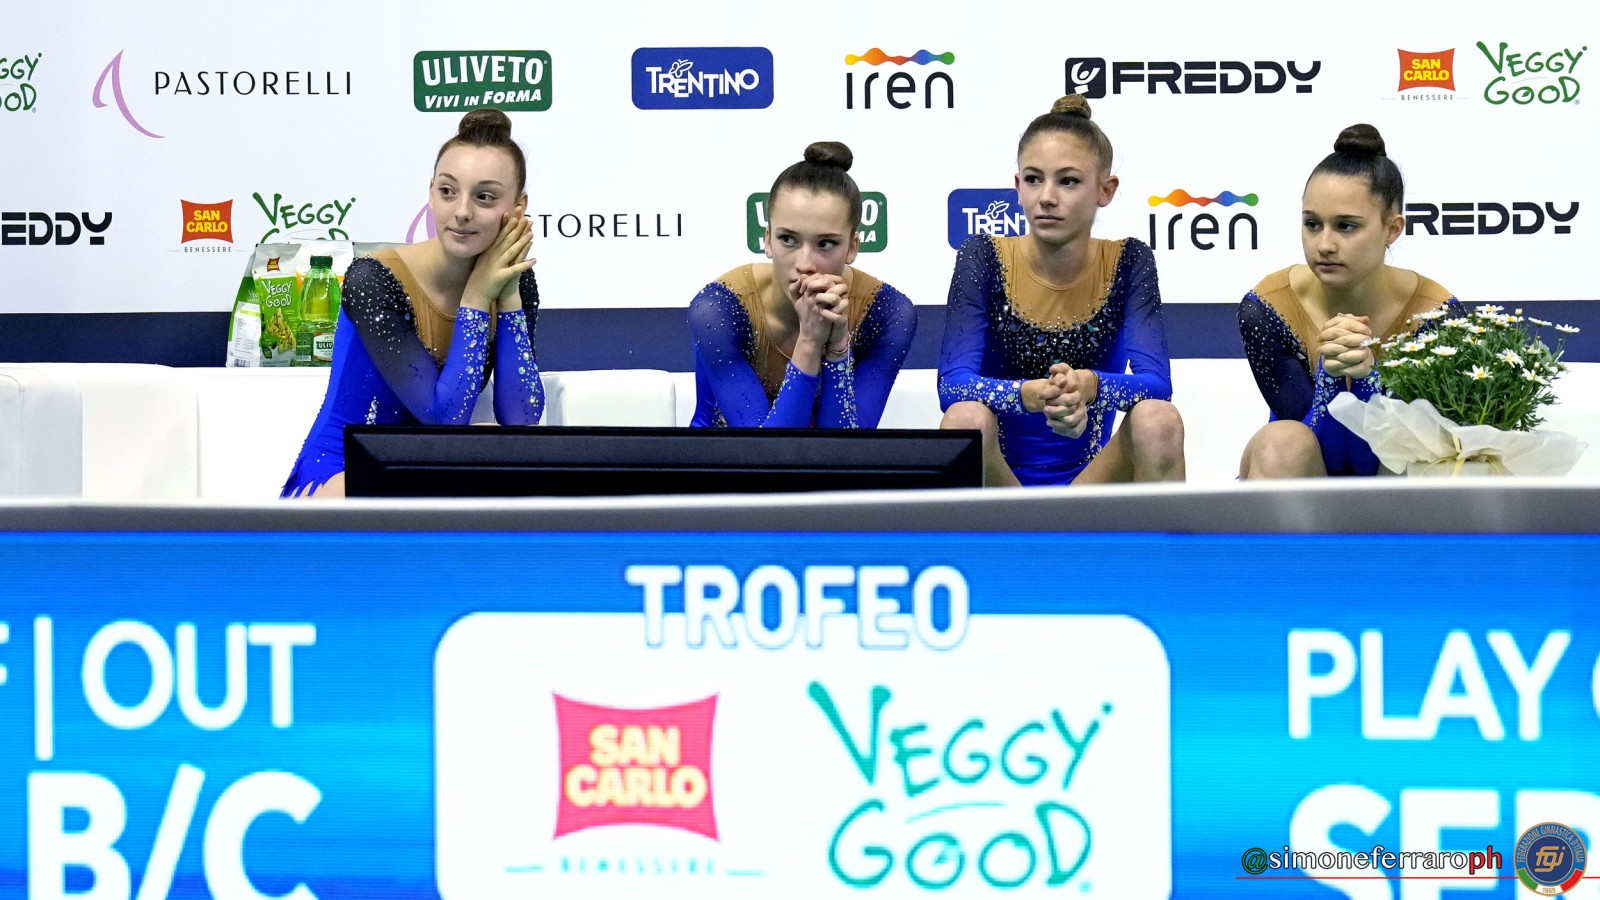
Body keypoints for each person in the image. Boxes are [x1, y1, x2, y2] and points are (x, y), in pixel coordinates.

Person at [281, 107, 543, 497]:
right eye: (448, 191)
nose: (462, 212)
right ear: (431, 192)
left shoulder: (514, 282)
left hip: (425, 468)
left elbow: (521, 420)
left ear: (518, 208)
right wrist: (476, 296)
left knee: (507, 452)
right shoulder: (373, 279)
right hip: (344, 473)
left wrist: (505, 293)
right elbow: (443, 419)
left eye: (484, 197)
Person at [938, 95, 1183, 486]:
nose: (1047, 197)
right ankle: (988, 532)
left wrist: (1090, 386)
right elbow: (952, 386)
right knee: (965, 418)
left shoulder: (1128, 261)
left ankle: (1163, 534)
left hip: (1092, 483)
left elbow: (1158, 385)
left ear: (1106, 189)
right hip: (1001, 485)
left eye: (1068, 181)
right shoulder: (983, 256)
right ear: (1018, 186)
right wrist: (1031, 395)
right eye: (1034, 179)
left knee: (1159, 419)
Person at [1237, 123, 1458, 478]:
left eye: (1346, 226)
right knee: (1282, 440)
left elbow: (1391, 457)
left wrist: (1369, 379)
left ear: (1392, 229)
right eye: (1313, 224)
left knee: (1427, 448)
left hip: (1393, 488)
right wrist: (1331, 374)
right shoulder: (1267, 308)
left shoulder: (1435, 315)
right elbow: (1319, 446)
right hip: (1300, 476)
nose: (1324, 245)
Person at [688, 142, 915, 428]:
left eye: (826, 243)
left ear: (852, 247)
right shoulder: (718, 308)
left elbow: (847, 447)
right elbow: (766, 450)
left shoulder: (887, 313)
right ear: (767, 240)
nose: (805, 263)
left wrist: (838, 345)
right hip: (723, 456)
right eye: (788, 239)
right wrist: (810, 340)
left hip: (832, 460)